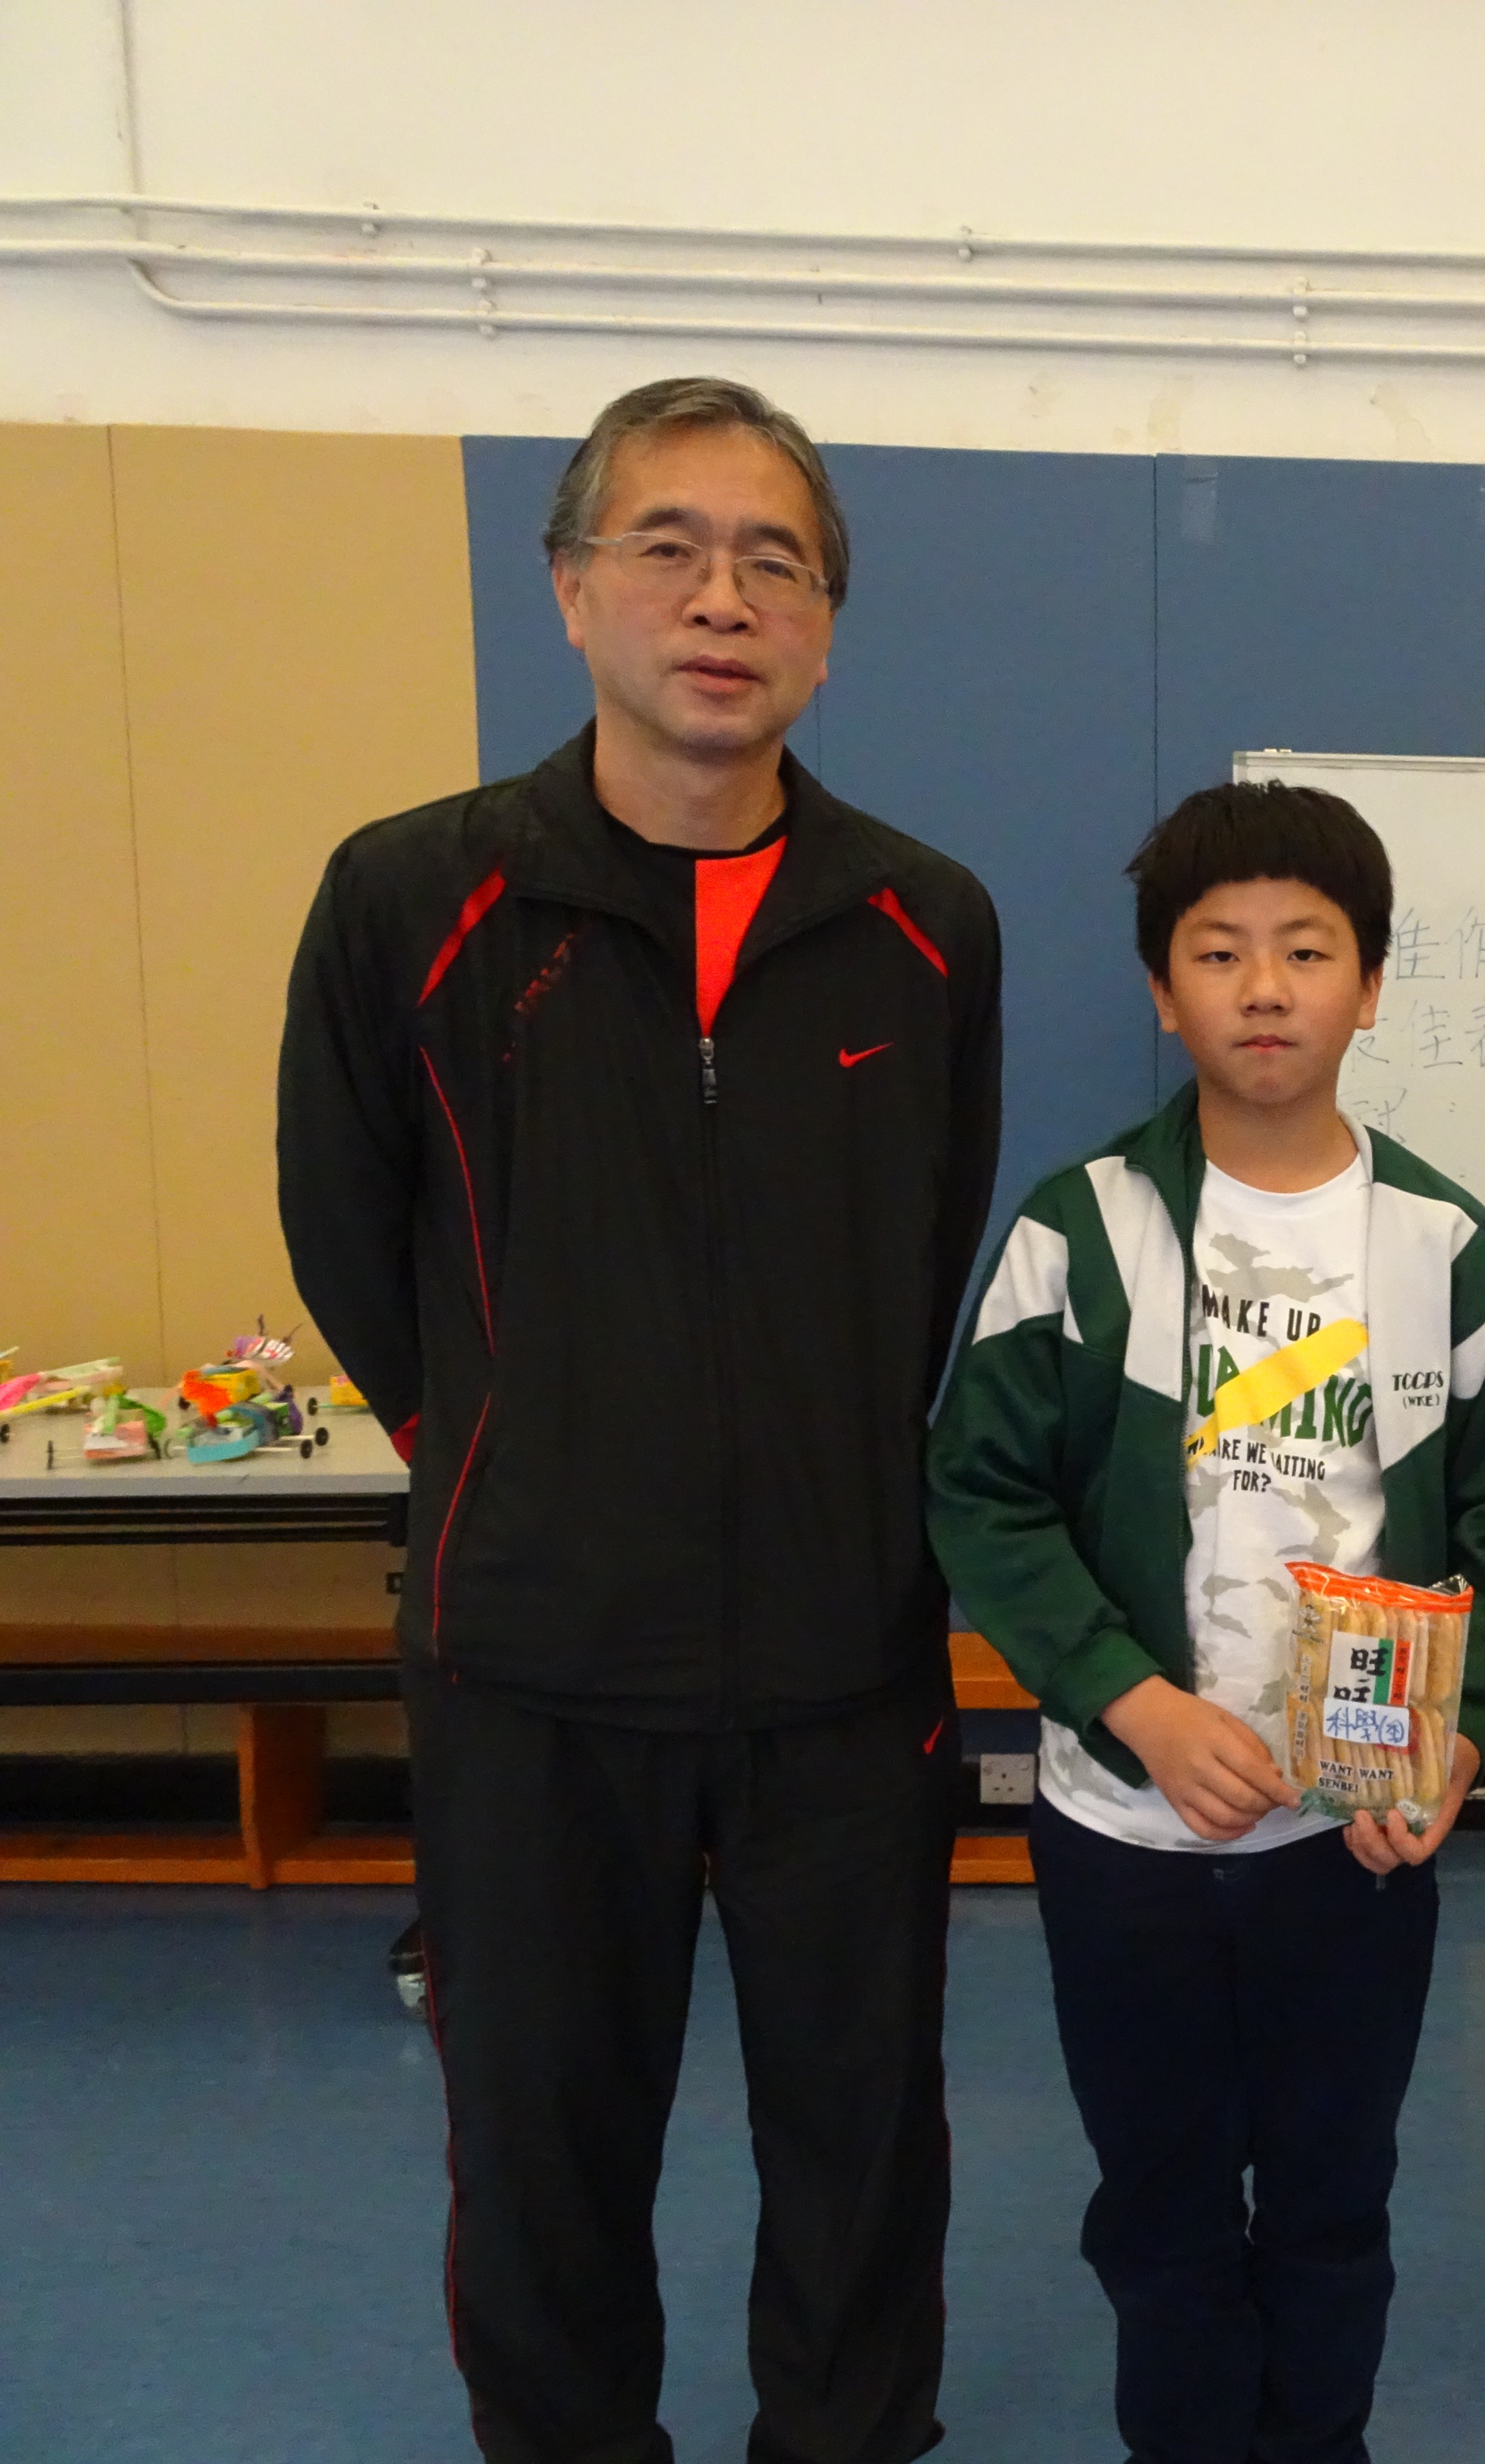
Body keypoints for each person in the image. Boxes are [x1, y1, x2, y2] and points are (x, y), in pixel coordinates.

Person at [276, 376, 1003, 2464]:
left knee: (864, 2146)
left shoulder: (923, 924)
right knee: (543, 2150)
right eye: (667, 546)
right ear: (571, 589)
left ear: (828, 628)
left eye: (777, 562)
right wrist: (522, 1459)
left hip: (843, 1667)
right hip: (529, 1662)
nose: (721, 597)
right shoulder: (412, 900)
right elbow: (348, 1234)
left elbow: (925, 1251)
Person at [927, 780, 1485, 2464]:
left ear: (1372, 984)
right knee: (1163, 2204)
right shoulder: (1081, 1231)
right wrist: (1132, 1701)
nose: (1265, 987)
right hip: (1125, 1834)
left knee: (1336, 2200)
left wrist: (1459, 1743)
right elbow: (981, 1495)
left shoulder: (1453, 1252)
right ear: (1160, 988)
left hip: (1356, 1840)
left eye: (1307, 950)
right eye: (1218, 951)